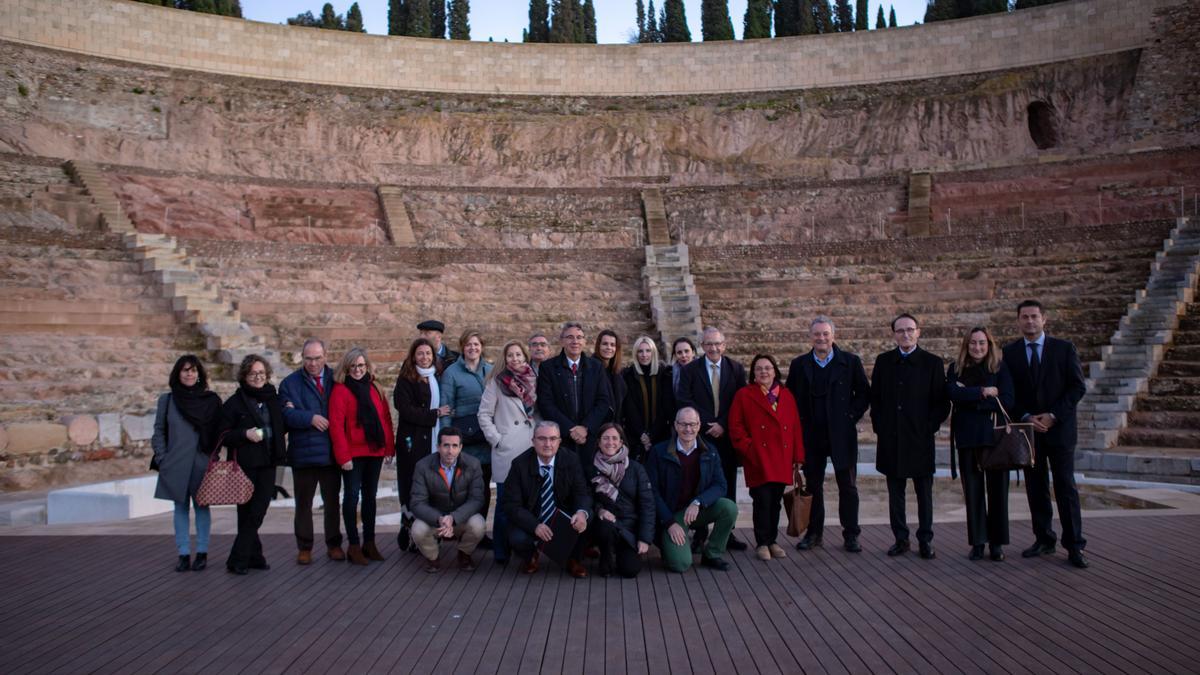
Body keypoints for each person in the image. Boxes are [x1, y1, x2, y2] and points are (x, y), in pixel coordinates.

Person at [1002, 300, 1088, 569]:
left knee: (1065, 487)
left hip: (1060, 430)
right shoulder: (1010, 352)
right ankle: (1044, 539)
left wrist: (1053, 415)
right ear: (1018, 321)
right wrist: (1026, 417)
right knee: (1035, 488)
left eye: (1034, 316)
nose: (1030, 321)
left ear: (1044, 319)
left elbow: (1076, 388)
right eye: (1025, 317)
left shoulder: (1063, 349)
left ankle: (1074, 545)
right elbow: (1009, 394)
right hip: (1029, 432)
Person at [785, 316, 871, 553]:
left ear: (833, 335)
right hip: (811, 435)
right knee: (813, 487)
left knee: (848, 486)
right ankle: (814, 534)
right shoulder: (799, 364)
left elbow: (864, 393)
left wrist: (850, 416)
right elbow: (790, 398)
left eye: (825, 334)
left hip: (841, 434)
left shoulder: (850, 362)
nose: (821, 338)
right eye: (817, 334)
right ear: (810, 336)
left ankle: (851, 535)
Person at [871, 314, 950, 560]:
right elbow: (876, 399)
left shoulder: (932, 362)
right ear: (893, 334)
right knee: (895, 493)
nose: (905, 334)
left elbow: (941, 402)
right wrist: (880, 428)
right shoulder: (884, 361)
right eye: (900, 330)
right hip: (891, 439)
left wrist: (928, 427)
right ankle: (900, 539)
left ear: (918, 332)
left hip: (920, 439)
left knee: (924, 493)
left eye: (910, 330)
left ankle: (925, 539)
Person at [675, 326, 748, 551]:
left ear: (724, 345)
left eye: (717, 343)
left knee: (727, 483)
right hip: (702, 436)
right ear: (702, 346)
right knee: (700, 481)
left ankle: (727, 533)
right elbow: (684, 399)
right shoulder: (691, 370)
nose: (713, 348)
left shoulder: (736, 369)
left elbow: (740, 401)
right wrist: (709, 424)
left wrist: (723, 424)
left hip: (726, 437)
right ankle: (699, 533)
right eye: (708, 344)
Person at [947, 326, 1015, 562]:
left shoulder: (999, 368)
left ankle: (996, 544)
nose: (977, 347)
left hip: (995, 438)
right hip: (967, 438)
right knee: (973, 493)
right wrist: (985, 392)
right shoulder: (955, 369)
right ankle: (977, 542)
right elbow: (953, 395)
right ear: (966, 345)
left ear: (989, 345)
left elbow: (1007, 400)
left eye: (982, 343)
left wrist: (973, 397)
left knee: (998, 493)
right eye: (973, 343)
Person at [729, 354, 806, 561]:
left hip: (781, 458)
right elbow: (735, 427)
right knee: (761, 501)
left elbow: (796, 427)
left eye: (768, 368)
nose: (764, 372)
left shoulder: (787, 395)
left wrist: (798, 456)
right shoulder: (744, 395)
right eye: (759, 369)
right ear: (753, 374)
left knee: (776, 502)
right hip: (758, 458)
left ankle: (772, 541)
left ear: (775, 371)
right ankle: (762, 542)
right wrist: (750, 448)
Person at [645, 407, 738, 573]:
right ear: (675, 425)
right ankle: (667, 544)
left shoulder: (710, 451)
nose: (688, 429)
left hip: (695, 510)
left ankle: (712, 554)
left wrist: (698, 502)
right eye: (683, 424)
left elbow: (721, 485)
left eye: (693, 424)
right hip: (672, 516)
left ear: (699, 425)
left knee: (729, 507)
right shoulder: (659, 452)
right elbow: (652, 492)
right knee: (680, 564)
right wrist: (669, 523)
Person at [152, 354, 221, 572]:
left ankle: (202, 553)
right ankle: (183, 553)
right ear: (177, 374)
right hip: (175, 463)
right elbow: (159, 431)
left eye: (193, 370)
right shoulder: (168, 400)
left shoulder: (210, 400)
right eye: (185, 370)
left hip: (201, 462)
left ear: (199, 374)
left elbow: (219, 432)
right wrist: (163, 458)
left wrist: (213, 457)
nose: (189, 374)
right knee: (179, 508)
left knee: (202, 507)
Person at [219, 354, 286, 575]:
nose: (257, 377)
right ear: (244, 376)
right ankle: (243, 558)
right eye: (253, 373)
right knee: (247, 513)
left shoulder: (272, 399)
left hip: (268, 462)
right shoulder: (234, 403)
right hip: (244, 465)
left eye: (261, 373)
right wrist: (245, 434)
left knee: (258, 510)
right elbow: (222, 435)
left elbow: (280, 426)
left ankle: (247, 555)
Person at [278, 338, 344, 565]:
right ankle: (304, 547)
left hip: (330, 453)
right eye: (308, 358)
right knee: (303, 504)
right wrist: (309, 417)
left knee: (332, 503)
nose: (313, 363)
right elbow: (285, 415)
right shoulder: (289, 383)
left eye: (317, 358)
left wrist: (300, 412)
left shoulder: (337, 379)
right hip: (303, 454)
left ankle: (334, 544)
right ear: (302, 357)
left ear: (326, 355)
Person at [329, 347, 396, 565]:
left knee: (370, 497)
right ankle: (354, 545)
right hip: (353, 454)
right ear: (346, 368)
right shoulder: (340, 390)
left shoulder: (375, 387)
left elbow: (385, 418)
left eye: (361, 365)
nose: (358, 370)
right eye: (353, 366)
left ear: (367, 366)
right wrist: (343, 457)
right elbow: (337, 426)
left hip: (374, 451)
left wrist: (388, 448)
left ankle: (370, 542)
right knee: (351, 498)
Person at [501, 421, 592, 578]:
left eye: (552, 438)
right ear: (533, 441)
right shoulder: (519, 465)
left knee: (588, 517)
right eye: (542, 439)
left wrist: (581, 513)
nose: (547, 444)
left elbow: (582, 493)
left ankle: (573, 559)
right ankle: (531, 557)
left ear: (559, 441)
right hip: (532, 518)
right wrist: (534, 525)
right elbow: (511, 505)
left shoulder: (571, 460)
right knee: (518, 538)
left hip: (562, 518)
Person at [478, 340, 538, 565]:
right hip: (508, 448)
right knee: (504, 503)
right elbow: (483, 414)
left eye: (518, 354)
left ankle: (528, 549)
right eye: (510, 355)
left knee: (530, 501)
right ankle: (501, 551)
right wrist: (497, 440)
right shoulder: (497, 382)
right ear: (505, 358)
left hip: (532, 446)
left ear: (525, 356)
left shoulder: (535, 379)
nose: (515, 359)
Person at [393, 338, 452, 551]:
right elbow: (405, 409)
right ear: (413, 356)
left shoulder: (438, 375)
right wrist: (434, 414)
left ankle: (428, 533)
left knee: (432, 487)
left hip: (434, 439)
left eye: (428, 353)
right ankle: (409, 530)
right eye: (420, 354)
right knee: (412, 486)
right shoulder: (406, 379)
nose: (425, 357)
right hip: (413, 442)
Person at [440, 329, 494, 547]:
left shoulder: (490, 370)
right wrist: (446, 443)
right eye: (469, 344)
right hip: (464, 443)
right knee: (464, 489)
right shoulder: (452, 372)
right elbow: (446, 406)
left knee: (484, 488)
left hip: (486, 439)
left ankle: (479, 533)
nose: (473, 348)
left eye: (477, 344)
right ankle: (460, 528)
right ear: (462, 347)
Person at [409, 426, 487, 573]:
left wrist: (454, 518)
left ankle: (464, 554)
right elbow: (417, 503)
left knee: (479, 525)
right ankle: (433, 558)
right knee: (417, 529)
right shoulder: (422, 466)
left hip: (460, 518)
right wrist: (439, 518)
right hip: (435, 519)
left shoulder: (473, 464)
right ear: (438, 446)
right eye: (446, 445)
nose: (450, 451)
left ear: (461, 447)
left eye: (454, 446)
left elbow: (477, 499)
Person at [536, 322, 614, 459]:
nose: (575, 341)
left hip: (589, 438)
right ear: (562, 341)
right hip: (561, 438)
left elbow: (603, 401)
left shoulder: (596, 367)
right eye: (570, 337)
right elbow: (545, 403)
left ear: (584, 341)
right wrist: (570, 429)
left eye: (579, 337)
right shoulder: (548, 368)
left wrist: (586, 427)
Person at [585, 423, 655, 578]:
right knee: (605, 525)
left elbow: (647, 505)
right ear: (598, 442)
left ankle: (621, 551)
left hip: (629, 527)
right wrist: (599, 510)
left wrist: (645, 538)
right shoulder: (590, 468)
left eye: (615, 438)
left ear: (621, 442)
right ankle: (606, 553)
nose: (610, 442)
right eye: (606, 438)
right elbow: (586, 497)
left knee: (630, 570)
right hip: (604, 525)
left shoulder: (636, 468)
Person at [621, 335, 676, 461]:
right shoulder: (628, 375)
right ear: (635, 353)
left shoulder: (664, 374)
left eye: (648, 350)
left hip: (660, 434)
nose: (644, 355)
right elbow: (630, 407)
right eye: (640, 351)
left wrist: (651, 435)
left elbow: (665, 407)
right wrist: (642, 434)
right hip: (635, 435)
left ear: (653, 352)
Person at [594, 329, 628, 429]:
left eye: (612, 345)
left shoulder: (617, 373)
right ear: (598, 346)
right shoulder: (591, 369)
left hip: (616, 427)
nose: (609, 347)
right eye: (605, 344)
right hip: (598, 428)